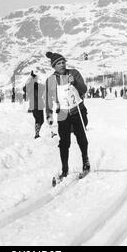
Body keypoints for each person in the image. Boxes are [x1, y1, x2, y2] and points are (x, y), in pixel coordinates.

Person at [45, 51, 90, 181]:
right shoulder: (51, 80)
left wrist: (75, 82)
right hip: (63, 113)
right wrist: (48, 114)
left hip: (78, 111)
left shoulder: (74, 73)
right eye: (58, 63)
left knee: (81, 137)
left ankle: (86, 162)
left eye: (63, 62)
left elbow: (84, 89)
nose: (62, 64)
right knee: (64, 142)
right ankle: (65, 170)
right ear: (54, 66)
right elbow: (48, 99)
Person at [24, 71, 45, 139]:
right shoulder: (30, 86)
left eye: (36, 78)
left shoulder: (38, 85)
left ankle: (37, 133)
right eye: (35, 78)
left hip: (40, 105)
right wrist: (30, 81)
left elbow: (44, 87)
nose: (36, 79)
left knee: (41, 121)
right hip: (34, 105)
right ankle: (37, 134)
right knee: (38, 120)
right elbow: (24, 89)